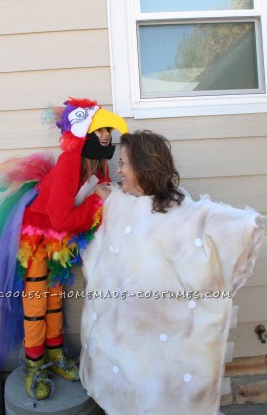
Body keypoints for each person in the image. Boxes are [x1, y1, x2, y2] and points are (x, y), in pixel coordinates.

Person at [0, 98, 128, 401]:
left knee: (55, 298)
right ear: (84, 133)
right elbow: (62, 218)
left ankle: (56, 356)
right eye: (100, 130)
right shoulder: (69, 164)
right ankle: (35, 363)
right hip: (37, 238)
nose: (106, 135)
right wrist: (96, 201)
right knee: (36, 302)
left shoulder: (98, 164)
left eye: (108, 129)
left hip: (61, 240)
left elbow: (90, 209)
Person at [79, 130, 265, 415]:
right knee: (125, 381)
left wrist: (244, 224)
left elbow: (209, 221)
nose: (118, 170)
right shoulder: (118, 202)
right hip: (124, 329)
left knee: (156, 388)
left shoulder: (180, 211)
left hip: (162, 328)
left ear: (142, 167)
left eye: (124, 164)